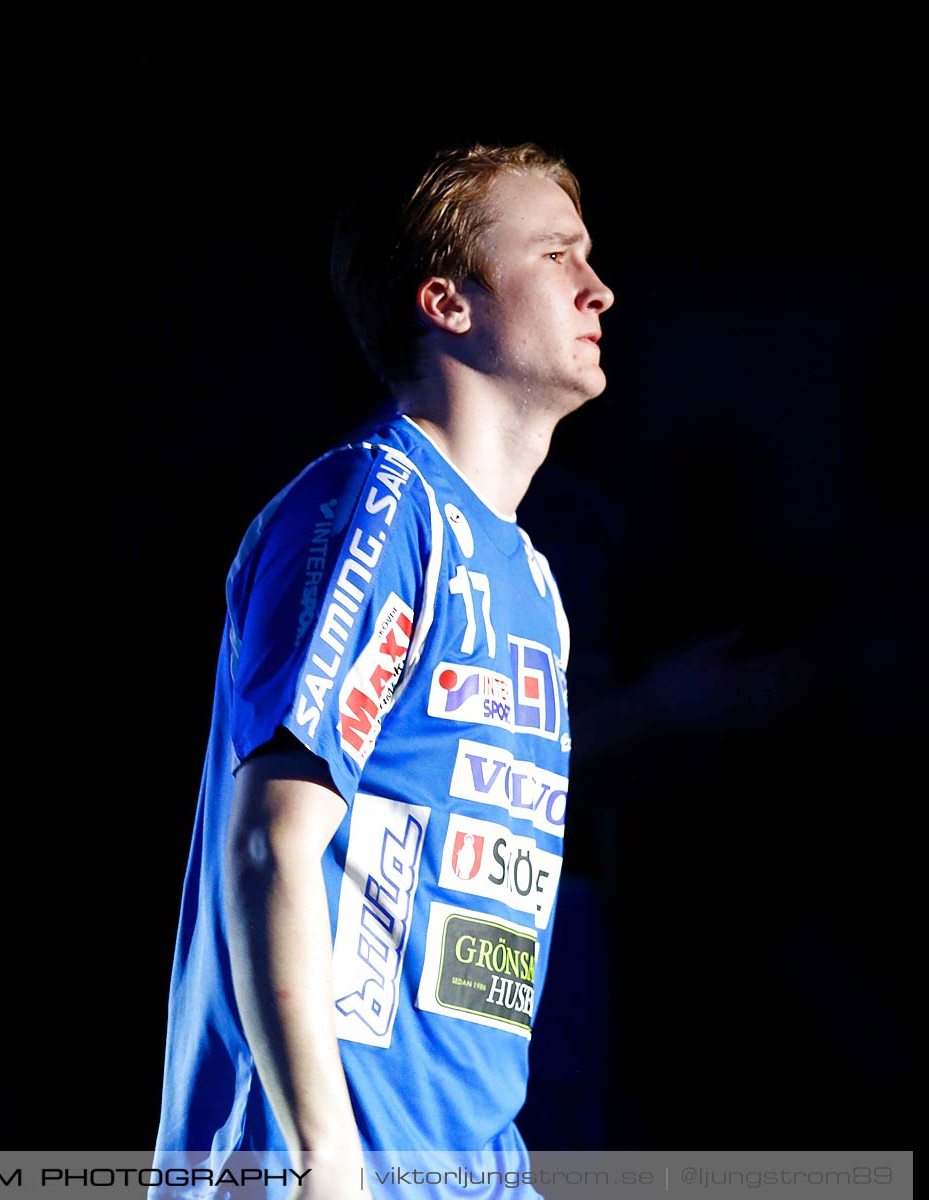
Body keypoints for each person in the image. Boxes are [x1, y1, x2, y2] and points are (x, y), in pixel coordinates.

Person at [152, 143, 613, 1198]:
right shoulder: (377, 505)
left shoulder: (534, 587)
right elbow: (272, 839)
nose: (600, 287)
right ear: (448, 303)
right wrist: (328, 1160)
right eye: (557, 253)